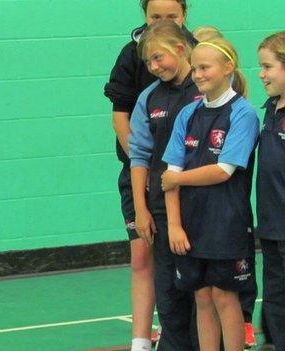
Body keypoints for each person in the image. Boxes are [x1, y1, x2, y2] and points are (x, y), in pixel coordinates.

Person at [103, 1, 194, 349]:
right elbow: (122, 120)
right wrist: (147, 166)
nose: (163, 21)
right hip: (147, 177)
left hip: (188, 181)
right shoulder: (132, 58)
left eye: (171, 16)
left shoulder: (199, 58)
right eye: (155, 16)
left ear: (184, 14)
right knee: (144, 254)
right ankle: (142, 339)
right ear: (144, 16)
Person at [161, 37, 259, 350]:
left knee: (223, 295)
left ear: (228, 67)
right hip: (190, 225)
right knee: (201, 295)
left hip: (226, 225)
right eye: (195, 68)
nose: (198, 74)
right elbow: (169, 173)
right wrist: (174, 224)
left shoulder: (243, 115)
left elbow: (222, 170)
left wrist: (176, 180)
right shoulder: (187, 115)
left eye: (205, 67)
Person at [129, 19, 200, 351]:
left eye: (159, 58)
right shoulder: (148, 98)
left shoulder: (205, 90)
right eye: (148, 62)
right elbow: (139, 156)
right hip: (160, 207)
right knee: (170, 294)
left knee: (205, 292)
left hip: (204, 207)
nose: (154, 67)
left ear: (181, 49)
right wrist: (141, 210)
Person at [256, 30, 285, 351]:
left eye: (268, 66)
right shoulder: (270, 109)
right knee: (275, 293)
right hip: (271, 226)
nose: (261, 74)